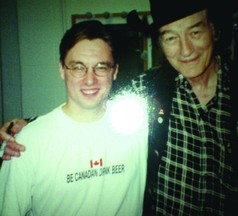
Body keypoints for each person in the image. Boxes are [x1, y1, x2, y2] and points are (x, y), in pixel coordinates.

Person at [1, 0, 238, 215]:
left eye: (195, 32)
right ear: (161, 42)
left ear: (214, 30)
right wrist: (26, 127)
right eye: (171, 37)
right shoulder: (148, 91)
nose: (185, 50)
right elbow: (91, 105)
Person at [0, 20, 148, 216]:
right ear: (62, 69)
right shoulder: (26, 143)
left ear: (115, 71)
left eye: (101, 67)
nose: (89, 79)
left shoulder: (138, 123)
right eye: (78, 67)